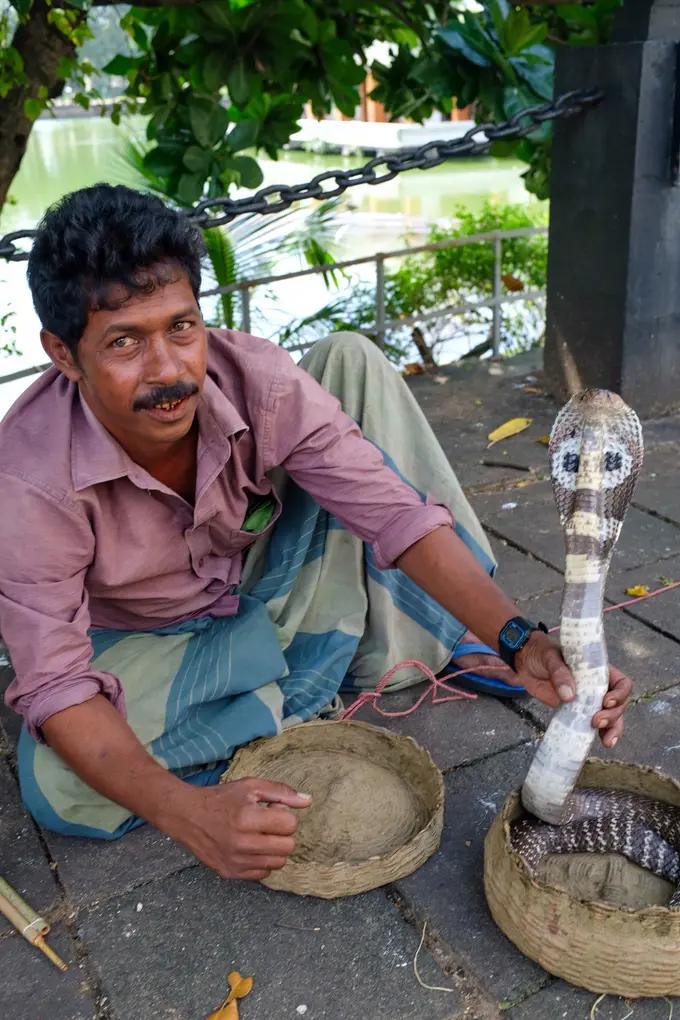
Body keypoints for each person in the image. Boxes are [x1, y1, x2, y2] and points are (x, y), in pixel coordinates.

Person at [0, 184, 631, 882]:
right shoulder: (25, 479)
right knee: (57, 781)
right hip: (145, 635)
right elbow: (58, 682)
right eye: (124, 343)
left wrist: (520, 639)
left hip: (256, 573)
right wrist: (189, 815)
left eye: (182, 327)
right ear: (63, 353)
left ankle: (421, 644)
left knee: (350, 366)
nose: (169, 371)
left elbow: (391, 512)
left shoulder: (255, 378)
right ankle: (318, 664)